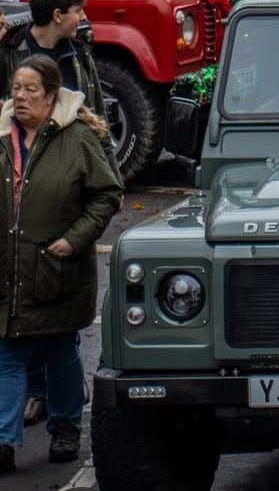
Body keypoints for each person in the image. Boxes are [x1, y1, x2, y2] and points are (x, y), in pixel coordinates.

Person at [0, 55, 121, 471]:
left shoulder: (77, 138)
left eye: (31, 89)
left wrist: (74, 239)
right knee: (8, 355)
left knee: (59, 352)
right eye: (16, 87)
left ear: (51, 96)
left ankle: (66, 426)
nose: (20, 96)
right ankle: (3, 440)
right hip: (8, 271)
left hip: (58, 269)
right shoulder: (1, 135)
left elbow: (107, 195)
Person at [0, 0, 104, 120]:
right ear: (58, 16)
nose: (83, 17)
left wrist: (102, 141)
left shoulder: (79, 51)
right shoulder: (8, 54)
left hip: (74, 141)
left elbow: (97, 111)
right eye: (78, 10)